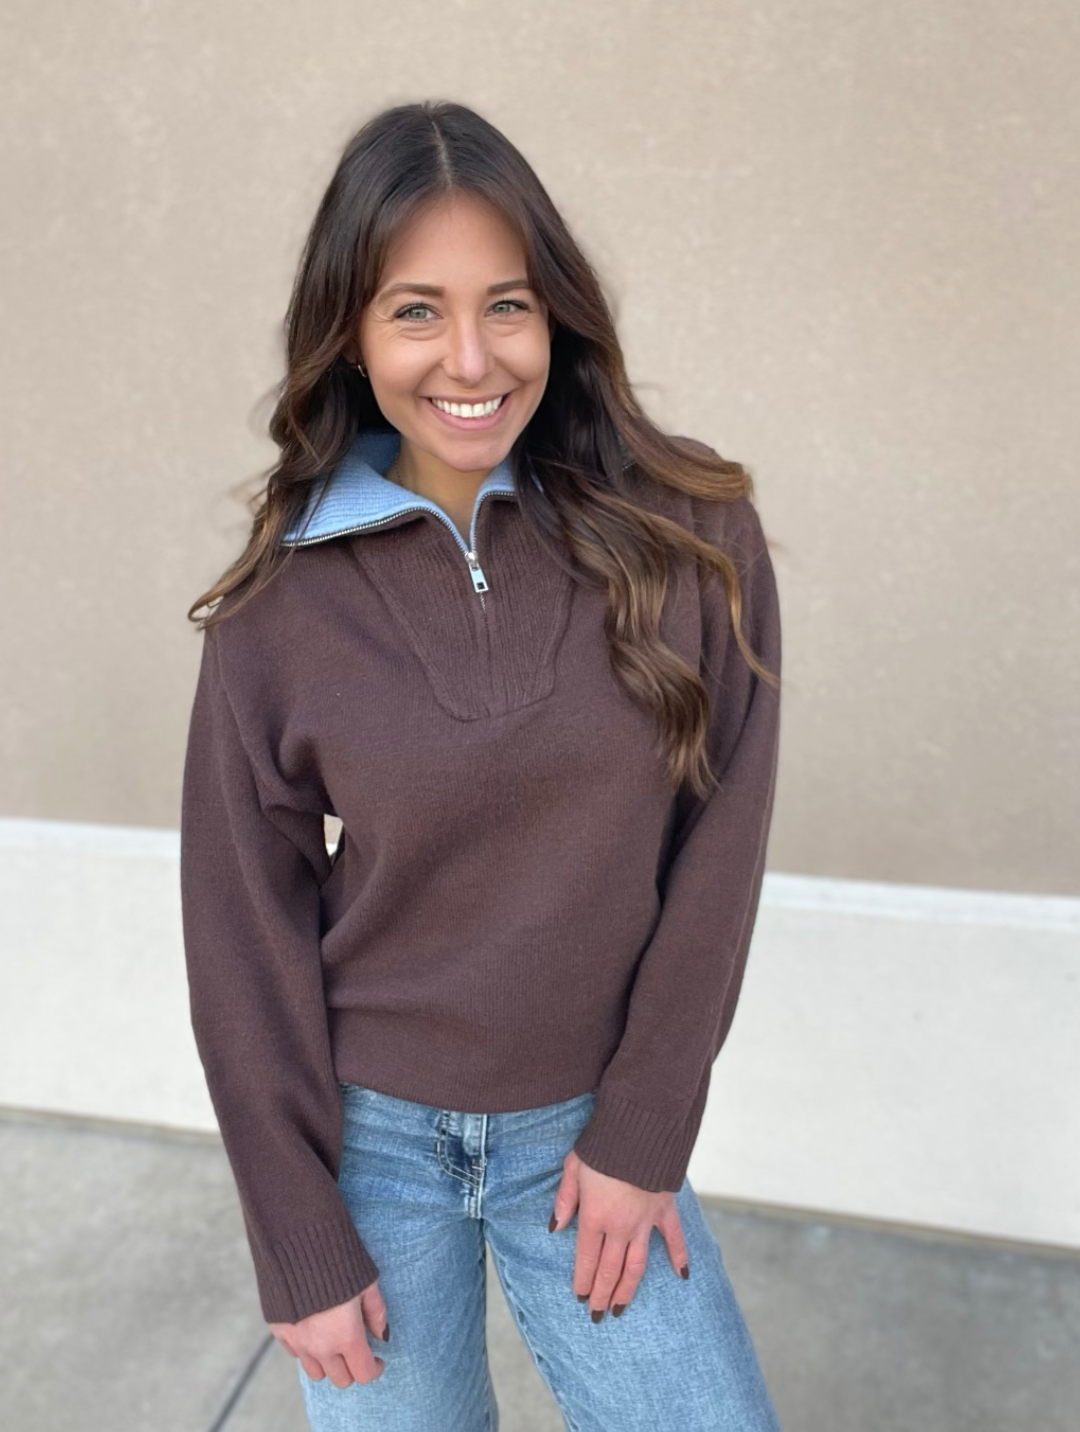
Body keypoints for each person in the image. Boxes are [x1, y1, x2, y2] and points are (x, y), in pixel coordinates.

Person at [180, 99, 784, 1432]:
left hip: (591, 1133)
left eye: (506, 304)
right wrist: (295, 1231)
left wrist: (644, 1127)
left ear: (555, 311)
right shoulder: (278, 610)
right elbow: (241, 932)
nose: (470, 357)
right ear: (350, 333)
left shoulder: (689, 533)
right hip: (372, 1151)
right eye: (416, 311)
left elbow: (723, 838)